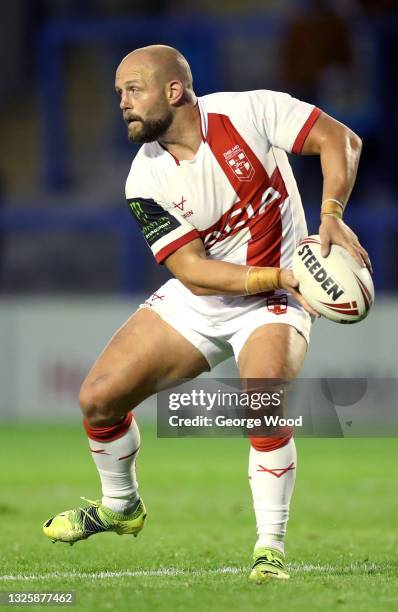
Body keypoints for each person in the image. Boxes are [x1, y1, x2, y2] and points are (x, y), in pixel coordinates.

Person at [43, 45, 371, 582]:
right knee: (98, 399)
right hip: (210, 297)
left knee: (262, 398)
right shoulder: (143, 180)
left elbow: (340, 139)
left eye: (133, 90)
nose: (122, 103)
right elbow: (192, 271)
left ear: (174, 91)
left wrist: (331, 214)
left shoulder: (249, 112)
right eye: (118, 93)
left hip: (272, 303)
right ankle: (120, 506)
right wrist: (289, 275)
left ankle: (270, 548)